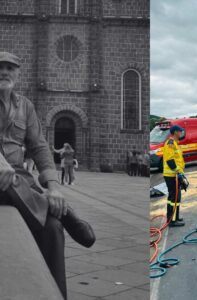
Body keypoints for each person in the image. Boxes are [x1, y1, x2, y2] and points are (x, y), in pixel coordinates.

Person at [0, 52, 95, 298]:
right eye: (0, 67)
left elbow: (40, 148)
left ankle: (56, 294)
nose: (4, 72)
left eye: (11, 67)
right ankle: (67, 215)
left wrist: (53, 186)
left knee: (52, 228)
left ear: (18, 74)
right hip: (5, 177)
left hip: (18, 181)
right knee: (10, 178)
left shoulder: (26, 107)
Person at [163, 125, 185, 227]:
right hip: (172, 175)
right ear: (176, 132)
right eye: (180, 131)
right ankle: (172, 220)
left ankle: (174, 217)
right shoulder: (170, 143)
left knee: (175, 197)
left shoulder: (175, 143)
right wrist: (178, 171)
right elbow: (170, 160)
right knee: (174, 197)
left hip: (174, 174)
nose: (181, 133)